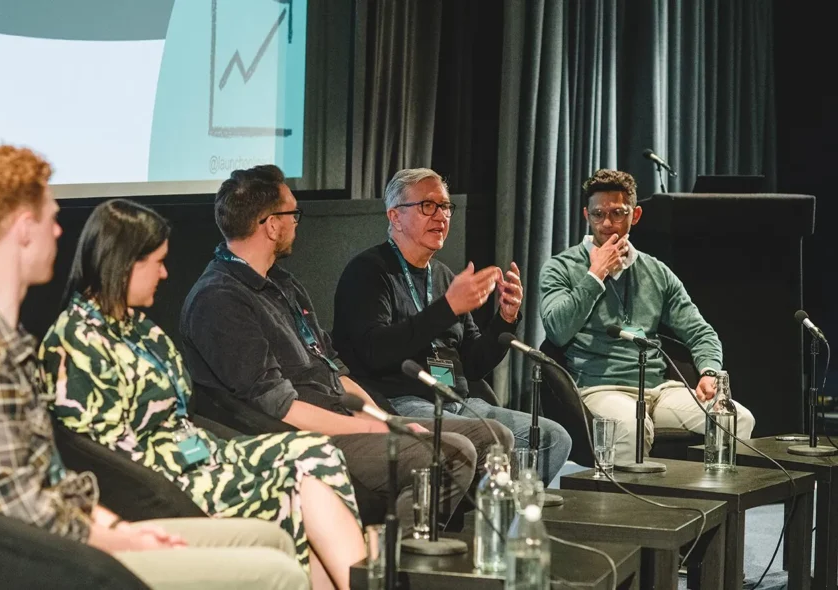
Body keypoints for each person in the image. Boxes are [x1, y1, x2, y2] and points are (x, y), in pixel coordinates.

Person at [0, 146, 309, 590]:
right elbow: (22, 510)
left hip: (57, 540)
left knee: (272, 541)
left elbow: (45, 481)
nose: (58, 231)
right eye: (51, 219)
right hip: (36, 564)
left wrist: (117, 528)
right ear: (24, 229)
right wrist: (120, 541)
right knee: (277, 574)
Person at [38, 199, 365, 590]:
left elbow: (180, 411)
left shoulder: (139, 327)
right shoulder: (76, 341)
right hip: (166, 477)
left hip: (200, 451)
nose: (165, 273)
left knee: (316, 451)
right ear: (125, 265)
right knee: (299, 481)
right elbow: (105, 457)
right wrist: (195, 464)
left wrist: (208, 454)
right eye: (157, 262)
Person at [178, 164, 514, 533]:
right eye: (292, 214)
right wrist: (371, 429)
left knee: (494, 436)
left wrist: (382, 419)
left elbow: (334, 367)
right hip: (301, 434)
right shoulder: (219, 299)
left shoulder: (283, 284)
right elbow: (280, 407)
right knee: (454, 453)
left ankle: (450, 541)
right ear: (272, 225)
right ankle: (384, 555)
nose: (296, 223)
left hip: (344, 414)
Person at [332, 168, 572, 485]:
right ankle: (487, 507)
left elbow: (473, 365)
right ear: (395, 216)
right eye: (427, 206)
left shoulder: (444, 275)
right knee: (491, 436)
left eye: (445, 206)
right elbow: (374, 351)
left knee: (554, 438)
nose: (441, 216)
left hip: (456, 400)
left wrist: (505, 318)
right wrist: (448, 308)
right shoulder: (368, 271)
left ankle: (501, 509)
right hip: (401, 401)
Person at [538, 168, 755, 461]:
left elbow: (700, 332)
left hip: (659, 389)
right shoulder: (561, 267)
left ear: (635, 215)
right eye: (598, 214)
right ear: (587, 216)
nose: (607, 223)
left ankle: (708, 491)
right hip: (600, 388)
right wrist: (595, 274)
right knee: (631, 427)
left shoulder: (656, 272)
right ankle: (624, 494)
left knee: (737, 419)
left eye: (618, 213)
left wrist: (709, 372)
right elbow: (557, 330)